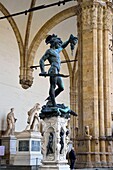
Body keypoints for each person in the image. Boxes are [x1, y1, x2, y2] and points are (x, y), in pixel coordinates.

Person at [39, 34, 78, 107]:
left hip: (57, 70)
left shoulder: (56, 51)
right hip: (53, 69)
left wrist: (69, 41)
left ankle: (50, 99)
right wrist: (42, 70)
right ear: (54, 43)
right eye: (58, 43)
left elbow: (63, 46)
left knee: (61, 88)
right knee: (53, 86)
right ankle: (53, 103)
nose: (59, 45)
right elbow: (42, 60)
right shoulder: (49, 51)